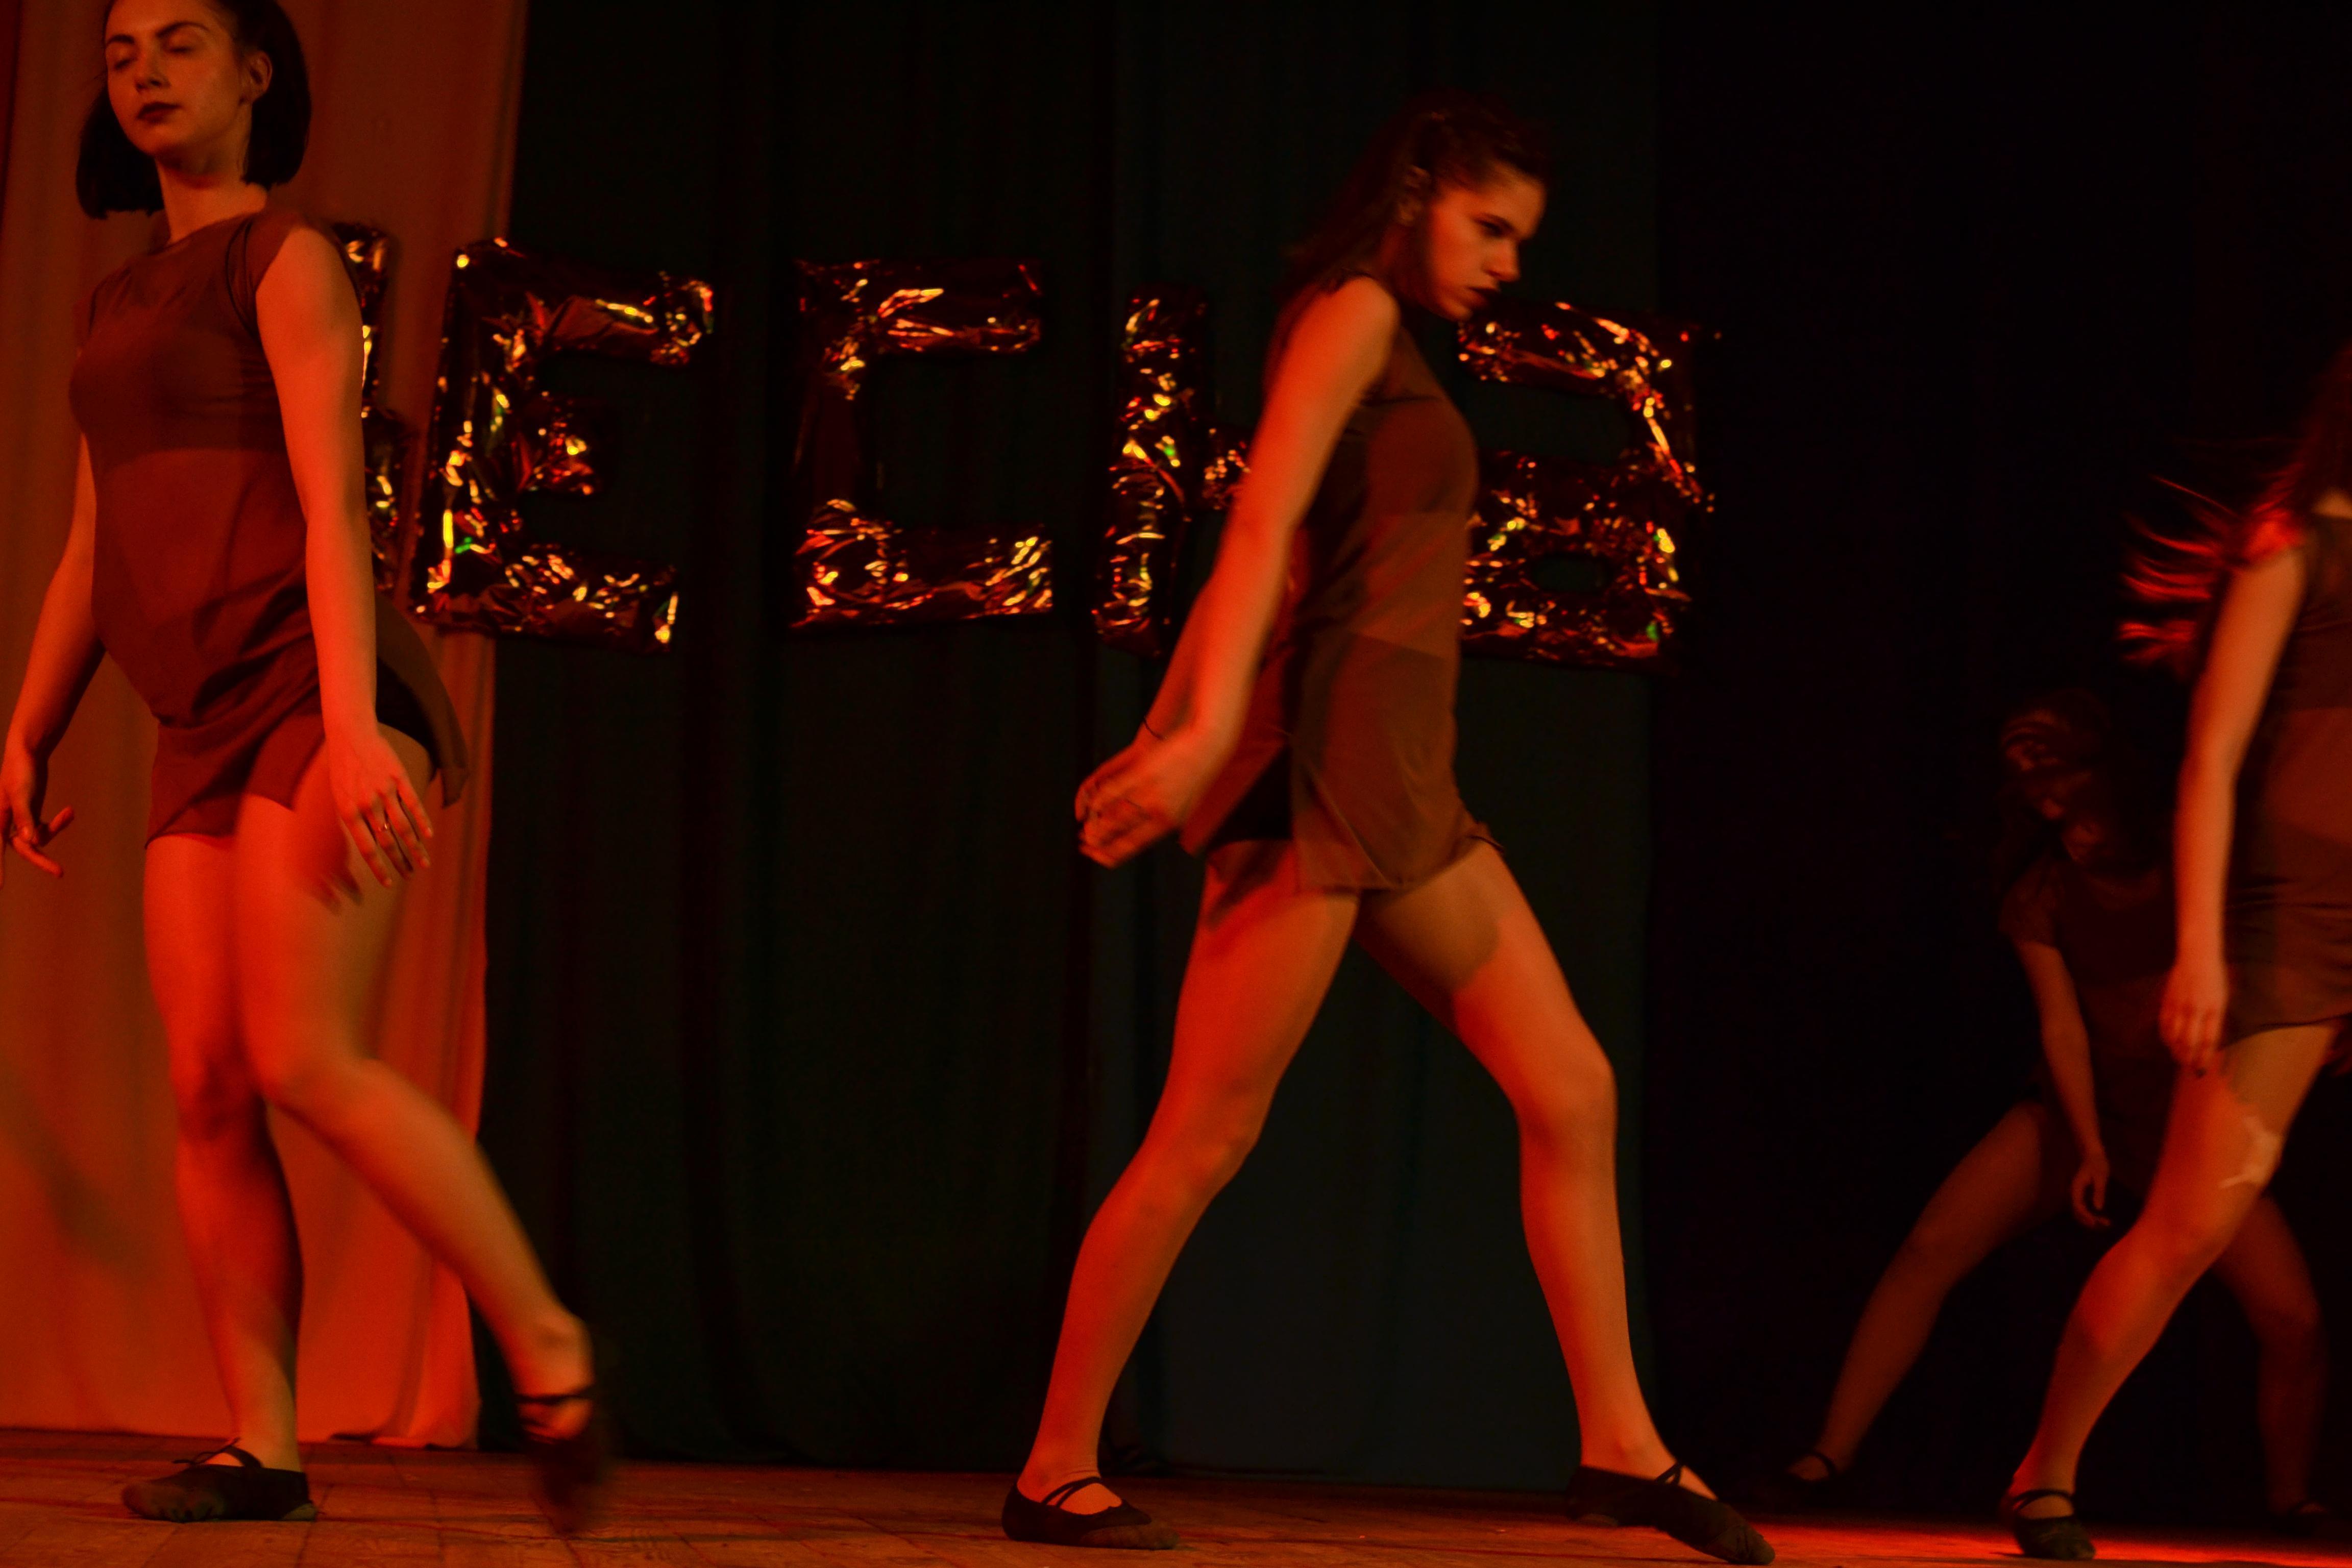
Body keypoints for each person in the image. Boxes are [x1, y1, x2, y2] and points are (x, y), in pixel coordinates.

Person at [999, 92, 1772, 1564]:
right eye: (1490, 227)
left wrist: (1169, 724)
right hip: (1330, 766)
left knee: (1573, 1089)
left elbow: (1291, 559)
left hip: (1408, 774)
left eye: (1521, 240)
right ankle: (1051, 1466)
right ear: (1417, 189)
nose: (1508, 263)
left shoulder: (1389, 338)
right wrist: (1201, 738)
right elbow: (1258, 526)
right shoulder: (1351, 312)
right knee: (1206, 1135)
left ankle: (1622, 1446)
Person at [0, 0, 607, 1532]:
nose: (144, 71)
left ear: (256, 73)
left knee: (305, 1058)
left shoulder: (284, 259)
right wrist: (28, 724)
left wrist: (345, 725)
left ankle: (546, 1342)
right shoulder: (115, 301)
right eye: (122, 51)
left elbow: (339, 506)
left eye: (179, 44)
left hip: (312, 682)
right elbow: (91, 538)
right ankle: (263, 1448)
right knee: (208, 1086)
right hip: (197, 714)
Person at [1750, 694, 2330, 1535]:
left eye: (2061, 781)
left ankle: (2292, 1499)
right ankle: (1826, 1456)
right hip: (2080, 1107)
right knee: (1931, 1248)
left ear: (2108, 771)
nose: (2050, 806)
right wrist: (2088, 1143)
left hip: (2192, 1114)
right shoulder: (2042, 890)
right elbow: (2062, 1028)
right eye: (2031, 789)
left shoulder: (2190, 857)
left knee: (2293, 1317)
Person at [1998, 347, 2352, 1559]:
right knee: (2191, 1226)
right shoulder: (2289, 547)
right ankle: (2045, 1470)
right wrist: (2199, 950)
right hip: (2287, 922)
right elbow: (2211, 762)